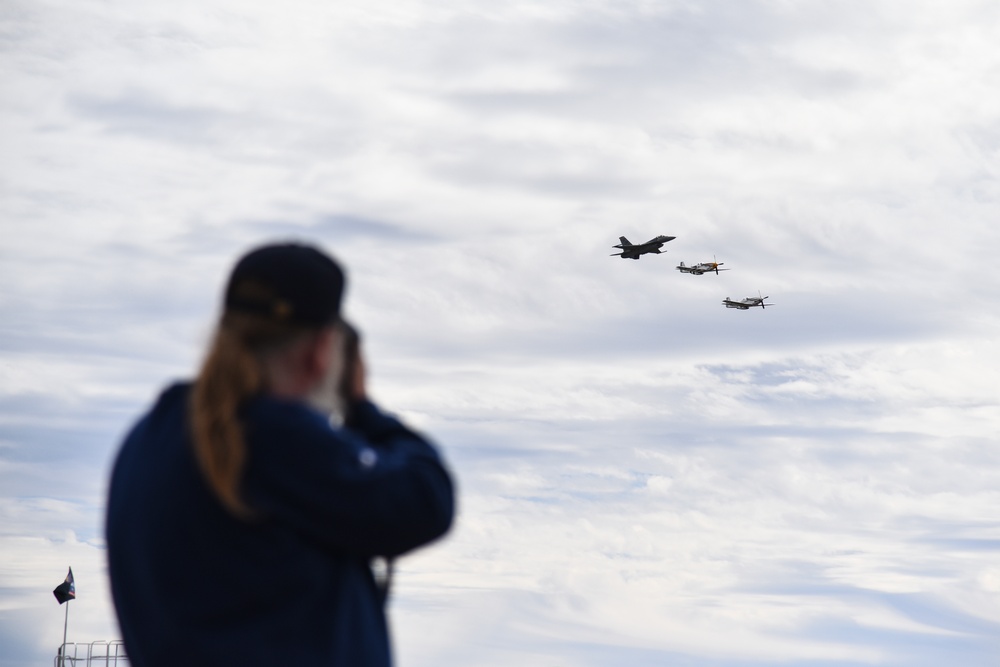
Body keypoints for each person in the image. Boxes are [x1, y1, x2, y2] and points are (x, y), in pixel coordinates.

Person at [105, 242, 455, 667]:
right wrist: (362, 407)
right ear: (321, 352)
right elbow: (426, 499)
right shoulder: (272, 438)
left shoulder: (148, 438)